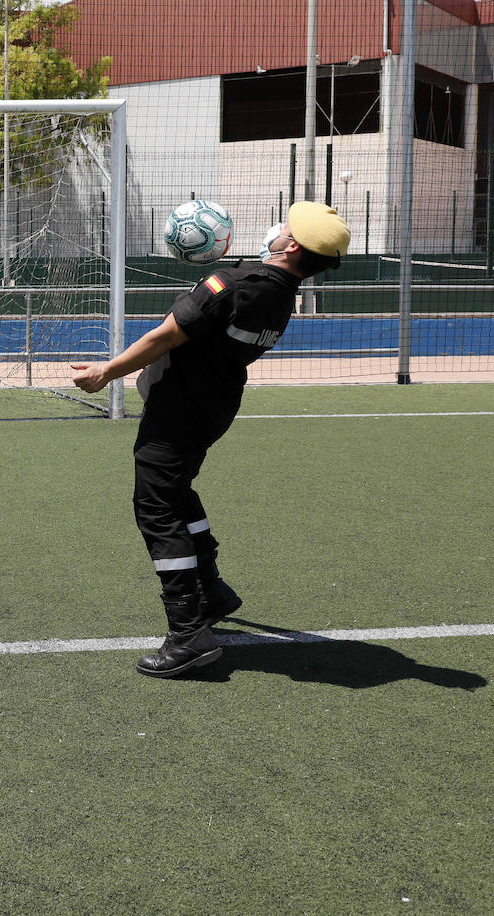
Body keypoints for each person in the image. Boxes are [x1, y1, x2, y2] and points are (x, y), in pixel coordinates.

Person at [71, 201, 350, 678]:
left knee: (156, 506)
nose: (278, 228)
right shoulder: (279, 294)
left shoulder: (232, 285)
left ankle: (188, 633)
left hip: (180, 409)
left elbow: (166, 336)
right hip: (213, 407)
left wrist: (107, 371)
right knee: (177, 492)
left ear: (291, 246)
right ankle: (212, 590)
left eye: (286, 226)